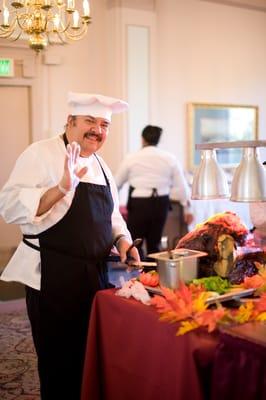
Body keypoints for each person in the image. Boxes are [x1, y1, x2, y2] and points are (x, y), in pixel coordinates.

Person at [0, 92, 139, 400]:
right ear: (70, 122)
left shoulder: (101, 164)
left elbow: (113, 215)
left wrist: (124, 241)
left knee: (90, 354)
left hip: (96, 277)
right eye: (90, 121)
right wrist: (62, 188)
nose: (98, 131)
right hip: (53, 274)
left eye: (104, 124)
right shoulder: (40, 153)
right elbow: (9, 206)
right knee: (59, 360)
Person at [115, 125, 193, 258]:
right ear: (158, 139)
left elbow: (116, 184)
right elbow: (182, 186)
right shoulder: (169, 158)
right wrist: (187, 210)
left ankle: (137, 275)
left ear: (142, 139)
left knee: (135, 244)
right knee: (154, 243)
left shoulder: (132, 158)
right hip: (160, 203)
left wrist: (112, 208)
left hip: (139, 204)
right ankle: (153, 274)